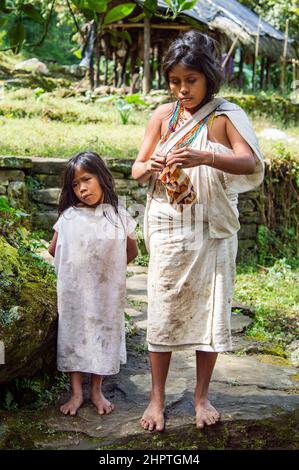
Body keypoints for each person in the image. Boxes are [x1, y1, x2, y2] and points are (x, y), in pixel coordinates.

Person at [132, 30, 264, 432]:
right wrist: (151, 166)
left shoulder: (225, 116)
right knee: (163, 308)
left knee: (210, 310)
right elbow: (137, 169)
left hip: (212, 228)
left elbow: (251, 163)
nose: (182, 89)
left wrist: (206, 155)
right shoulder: (162, 116)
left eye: (191, 80)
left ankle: (201, 396)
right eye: (175, 81)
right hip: (168, 224)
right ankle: (156, 400)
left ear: (208, 78)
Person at [48, 151, 138, 416]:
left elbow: (131, 251)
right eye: (75, 185)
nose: (81, 189)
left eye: (86, 179)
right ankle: (76, 393)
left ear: (102, 177)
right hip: (74, 291)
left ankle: (96, 391)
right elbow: (55, 249)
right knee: (74, 333)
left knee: (103, 335)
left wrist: (108, 271)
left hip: (106, 292)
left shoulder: (118, 216)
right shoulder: (69, 218)